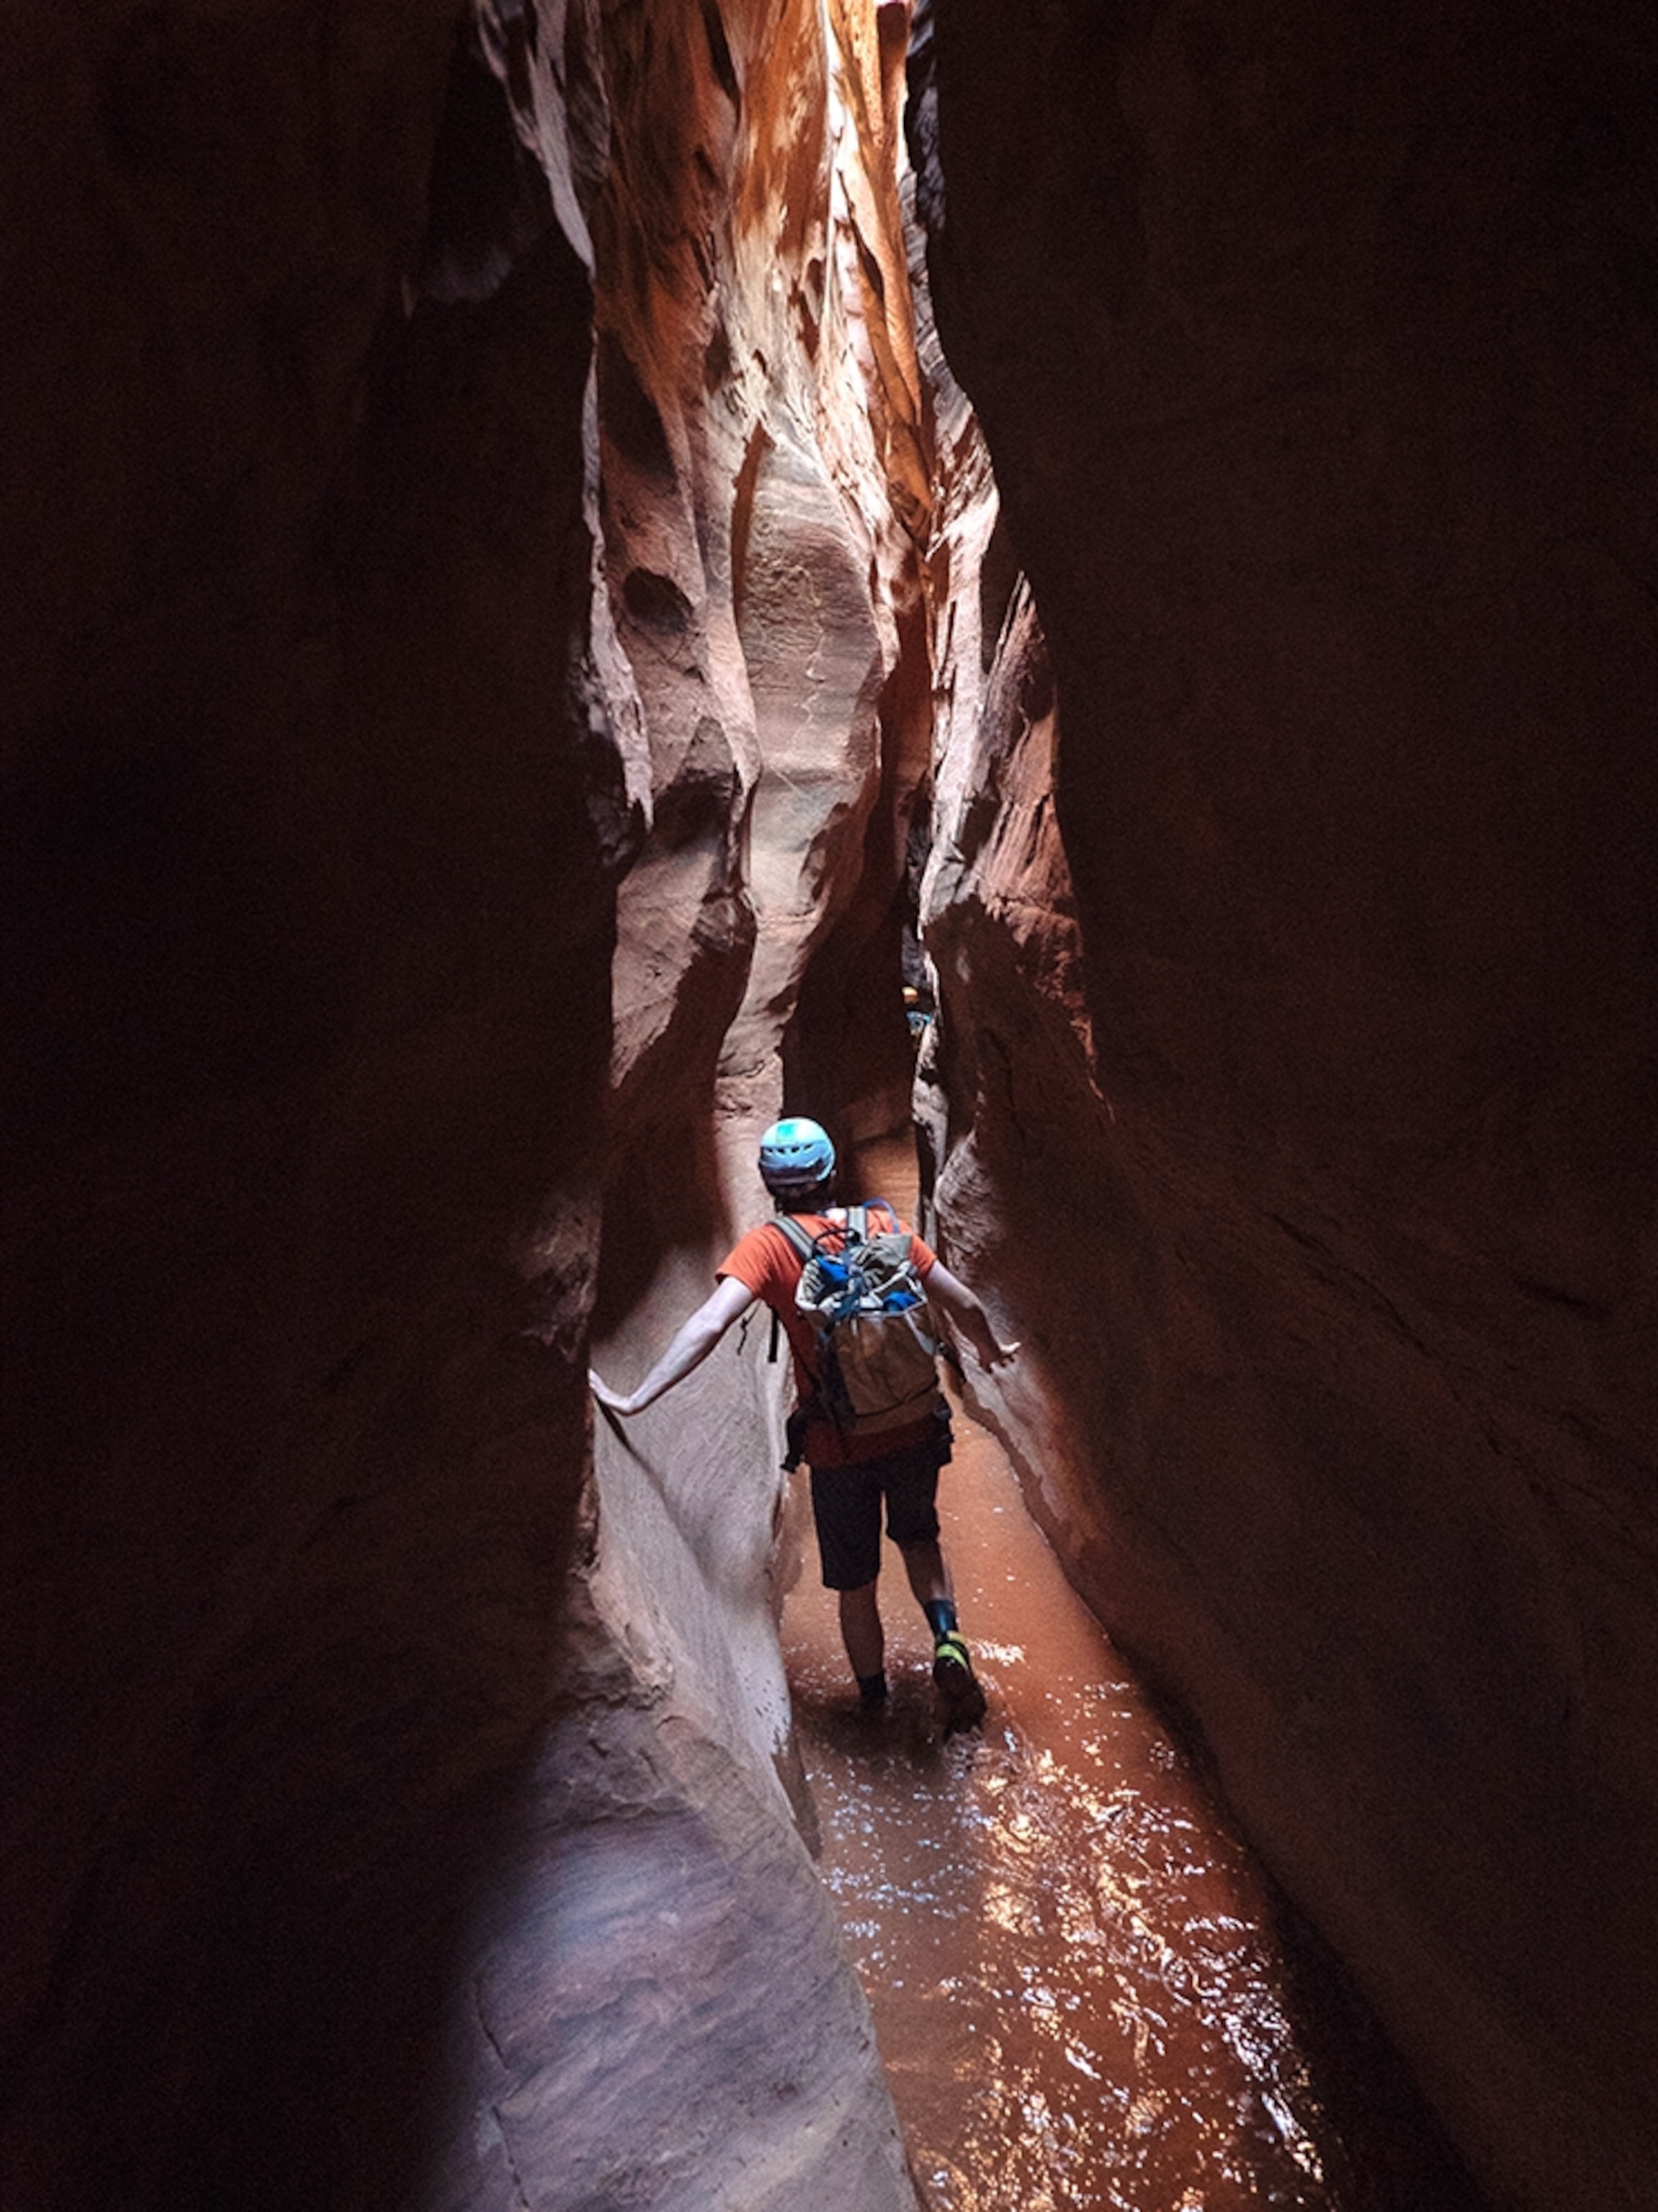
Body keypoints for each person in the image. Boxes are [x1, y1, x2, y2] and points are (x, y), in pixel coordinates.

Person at [588, 1117, 1018, 1723]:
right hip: (915, 1426)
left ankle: (875, 1705)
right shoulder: (883, 1226)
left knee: (856, 1583)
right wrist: (990, 1350)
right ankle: (947, 1639)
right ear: (832, 1173)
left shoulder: (770, 1246)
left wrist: (638, 1397)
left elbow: (710, 1325)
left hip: (839, 1444)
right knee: (920, 1537)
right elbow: (965, 1304)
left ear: (770, 1183)